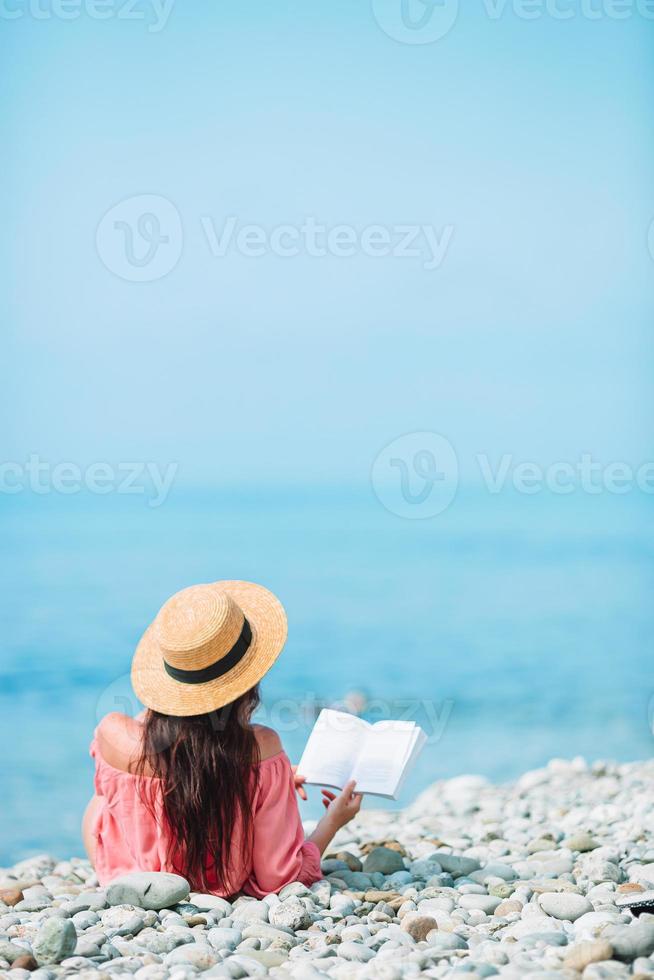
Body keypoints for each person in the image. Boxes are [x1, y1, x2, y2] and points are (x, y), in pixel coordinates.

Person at [82, 580, 361, 897]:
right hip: (223, 885)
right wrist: (332, 822)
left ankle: (136, 876)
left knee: (100, 801)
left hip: (129, 878)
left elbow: (173, 751)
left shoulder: (111, 732)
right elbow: (277, 879)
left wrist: (269, 776)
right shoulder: (261, 747)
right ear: (247, 679)